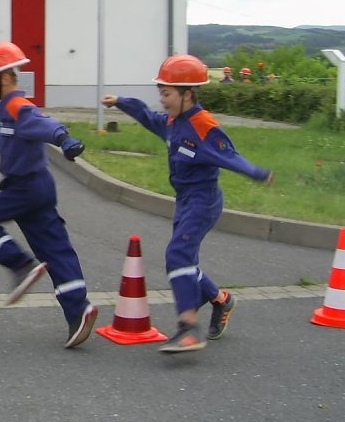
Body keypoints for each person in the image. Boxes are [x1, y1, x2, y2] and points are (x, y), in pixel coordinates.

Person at [101, 55, 273, 354]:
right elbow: (146, 115)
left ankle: (188, 327)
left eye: (167, 93)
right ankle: (221, 300)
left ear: (187, 94)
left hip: (204, 201)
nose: (162, 99)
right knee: (185, 261)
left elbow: (230, 155)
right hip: (184, 201)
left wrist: (258, 173)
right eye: (161, 93)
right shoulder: (172, 122)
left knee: (178, 254)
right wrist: (120, 101)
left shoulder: (203, 125)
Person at [0, 41, 99, 349]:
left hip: (26, 187)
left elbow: (43, 123)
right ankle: (79, 310)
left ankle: (20, 265)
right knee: (55, 251)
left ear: (5, 78)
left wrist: (65, 139)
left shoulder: (16, 106)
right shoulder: (3, 111)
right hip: (37, 189)